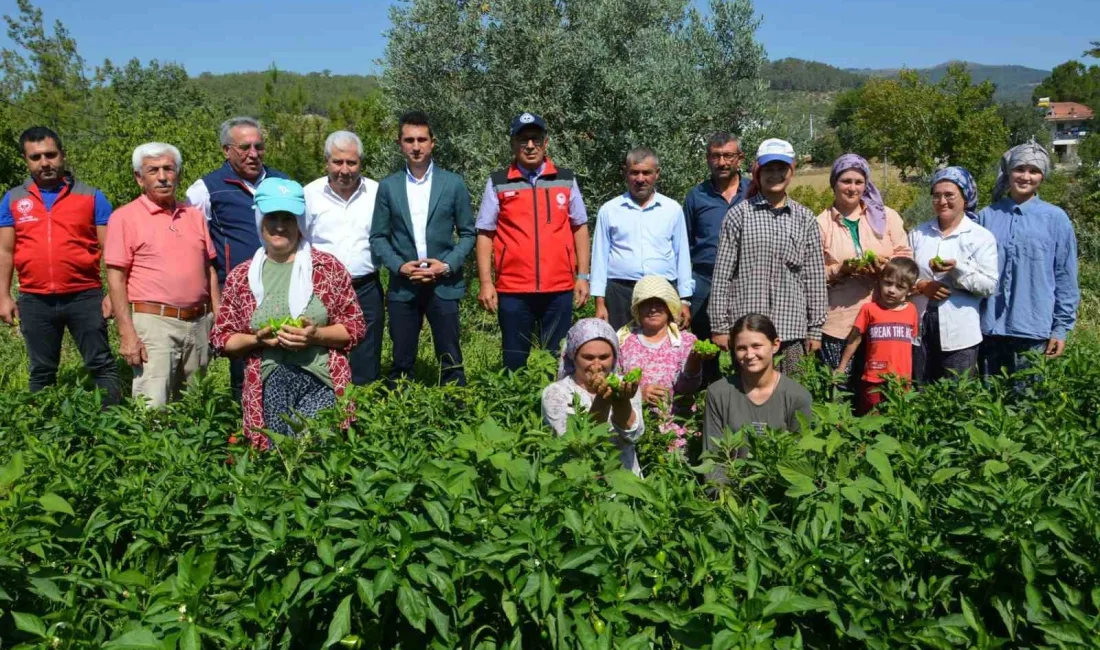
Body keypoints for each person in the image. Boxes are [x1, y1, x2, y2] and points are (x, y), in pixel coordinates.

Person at [209, 178, 366, 448]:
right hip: (268, 382)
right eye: (272, 217)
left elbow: (354, 328)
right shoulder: (242, 277)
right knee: (278, 457)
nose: (280, 226)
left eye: (288, 218)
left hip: (321, 378)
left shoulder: (326, 269)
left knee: (313, 449)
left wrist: (315, 335)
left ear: (299, 222)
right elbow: (223, 338)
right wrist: (257, 340)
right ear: (260, 220)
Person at [0, 126, 120, 404]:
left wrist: (114, 295)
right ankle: (43, 430)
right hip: (34, 299)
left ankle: (114, 427)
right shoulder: (13, 199)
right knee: (41, 371)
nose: (45, 163)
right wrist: (3, 296)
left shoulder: (92, 196)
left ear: (63, 155)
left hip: (85, 296)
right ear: (26, 160)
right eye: (36, 157)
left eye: (51, 155)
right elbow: (5, 251)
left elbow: (112, 251)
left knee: (101, 364)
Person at [105, 143, 221, 407]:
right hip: (154, 322)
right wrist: (127, 333)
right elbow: (116, 278)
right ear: (139, 178)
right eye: (153, 170)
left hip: (199, 322)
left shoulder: (193, 216)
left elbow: (209, 269)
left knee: (196, 404)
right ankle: (147, 449)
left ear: (178, 174)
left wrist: (219, 316)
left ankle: (195, 449)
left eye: (168, 169)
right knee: (152, 404)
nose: (162, 176)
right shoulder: (124, 218)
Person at [476, 112, 591, 371]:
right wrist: (486, 283)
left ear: (546, 142)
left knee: (558, 361)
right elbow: (485, 233)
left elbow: (580, 227)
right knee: (514, 361)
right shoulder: (498, 182)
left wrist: (583, 275)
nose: (530, 146)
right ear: (513, 143)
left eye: (535, 139)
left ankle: (557, 410)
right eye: (523, 139)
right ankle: (517, 408)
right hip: (513, 289)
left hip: (559, 288)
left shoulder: (565, 179)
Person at [186, 116, 289, 401]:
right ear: (226, 150)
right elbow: (191, 241)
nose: (253, 154)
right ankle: (244, 424)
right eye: (244, 147)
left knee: (285, 355)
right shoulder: (206, 189)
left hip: (284, 285)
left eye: (259, 146)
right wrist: (213, 299)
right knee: (244, 364)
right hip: (239, 292)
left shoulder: (283, 182)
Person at [370, 111, 476, 385]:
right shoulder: (389, 187)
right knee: (401, 359)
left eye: (421, 139)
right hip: (404, 286)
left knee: (451, 358)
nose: (416, 146)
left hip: (444, 283)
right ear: (400, 144)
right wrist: (400, 267)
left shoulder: (453, 184)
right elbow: (378, 237)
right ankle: (399, 415)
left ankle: (458, 412)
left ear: (432, 142)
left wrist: (447, 265)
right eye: (409, 140)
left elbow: (467, 234)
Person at [708, 138, 827, 375]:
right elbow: (723, 275)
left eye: (781, 169)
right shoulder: (738, 216)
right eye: (769, 169)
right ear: (757, 171)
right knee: (746, 396)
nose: (775, 175)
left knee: (789, 397)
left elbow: (814, 278)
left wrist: (815, 329)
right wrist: (719, 326)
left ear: (791, 170)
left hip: (791, 329)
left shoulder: (805, 219)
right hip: (747, 330)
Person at [976, 141, 1079, 377]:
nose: (1025, 176)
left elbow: (1065, 276)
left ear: (1042, 176)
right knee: (990, 402)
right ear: (1008, 172)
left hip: (1034, 330)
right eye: (1019, 169)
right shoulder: (987, 216)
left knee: (1031, 403)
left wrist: (1060, 328)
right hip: (989, 329)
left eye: (1034, 171)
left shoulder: (1056, 219)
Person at [816, 154, 912, 376]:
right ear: (834, 184)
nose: (852, 188)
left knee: (880, 383)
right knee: (840, 386)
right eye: (845, 181)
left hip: (884, 318)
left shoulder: (886, 217)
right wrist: (840, 270)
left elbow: (906, 257)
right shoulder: (820, 224)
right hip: (840, 324)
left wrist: (887, 267)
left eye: (858, 182)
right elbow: (810, 275)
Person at [303, 130, 382, 385]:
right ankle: (326, 413)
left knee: (366, 355)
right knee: (323, 353)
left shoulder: (377, 193)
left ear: (360, 163)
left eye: (351, 162)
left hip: (366, 287)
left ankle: (363, 411)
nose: (344, 169)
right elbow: (300, 242)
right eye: (338, 162)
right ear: (327, 162)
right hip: (321, 290)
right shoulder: (309, 195)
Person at [909, 167, 998, 382]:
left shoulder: (980, 237)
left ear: (965, 198)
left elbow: (989, 286)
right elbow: (904, 275)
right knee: (920, 389)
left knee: (957, 393)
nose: (942, 201)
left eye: (949, 195)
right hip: (920, 327)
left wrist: (957, 269)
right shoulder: (918, 233)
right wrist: (921, 285)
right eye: (937, 195)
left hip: (960, 330)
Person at [702, 313, 813, 483]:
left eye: (756, 346)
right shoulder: (718, 393)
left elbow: (802, 458)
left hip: (781, 491)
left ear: (775, 345)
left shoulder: (797, 396)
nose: (749, 354)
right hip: (731, 492)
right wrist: (724, 500)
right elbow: (712, 458)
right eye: (741, 348)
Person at [591, 147, 692, 330]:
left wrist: (685, 300)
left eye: (646, 173)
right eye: (634, 173)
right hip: (621, 293)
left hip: (663, 292)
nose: (640, 179)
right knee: (620, 349)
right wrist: (599, 302)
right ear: (625, 173)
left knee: (663, 351)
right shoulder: (609, 210)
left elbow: (682, 256)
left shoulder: (672, 209)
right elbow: (599, 258)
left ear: (657, 174)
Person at [683, 132, 750, 384]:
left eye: (728, 156)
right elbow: (685, 244)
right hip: (704, 281)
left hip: (745, 280)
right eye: (715, 156)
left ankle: (746, 402)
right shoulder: (696, 196)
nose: (722, 162)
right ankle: (707, 404)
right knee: (705, 349)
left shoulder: (754, 192)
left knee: (745, 345)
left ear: (739, 158)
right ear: (707, 159)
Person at [541, 318, 645, 475]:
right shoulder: (556, 393)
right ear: (573, 357)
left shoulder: (626, 386)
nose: (597, 365)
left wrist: (621, 401)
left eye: (604, 357)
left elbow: (633, 435)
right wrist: (602, 400)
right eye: (588, 358)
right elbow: (578, 446)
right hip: (584, 482)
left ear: (614, 356)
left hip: (625, 478)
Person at [836, 257, 920, 414]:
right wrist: (842, 367)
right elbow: (855, 339)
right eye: (888, 283)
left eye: (900, 287)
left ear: (910, 290)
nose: (891, 290)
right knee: (871, 416)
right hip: (873, 377)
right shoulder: (869, 309)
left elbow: (911, 346)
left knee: (897, 417)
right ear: (880, 281)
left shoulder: (912, 311)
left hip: (900, 379)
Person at [616, 275, 709, 409]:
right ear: (638, 309)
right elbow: (614, 381)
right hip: (633, 418)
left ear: (669, 307)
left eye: (659, 303)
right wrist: (637, 395)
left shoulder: (686, 341)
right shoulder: (623, 340)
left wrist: (694, 362)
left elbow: (688, 388)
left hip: (676, 421)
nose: (653, 309)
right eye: (646, 303)